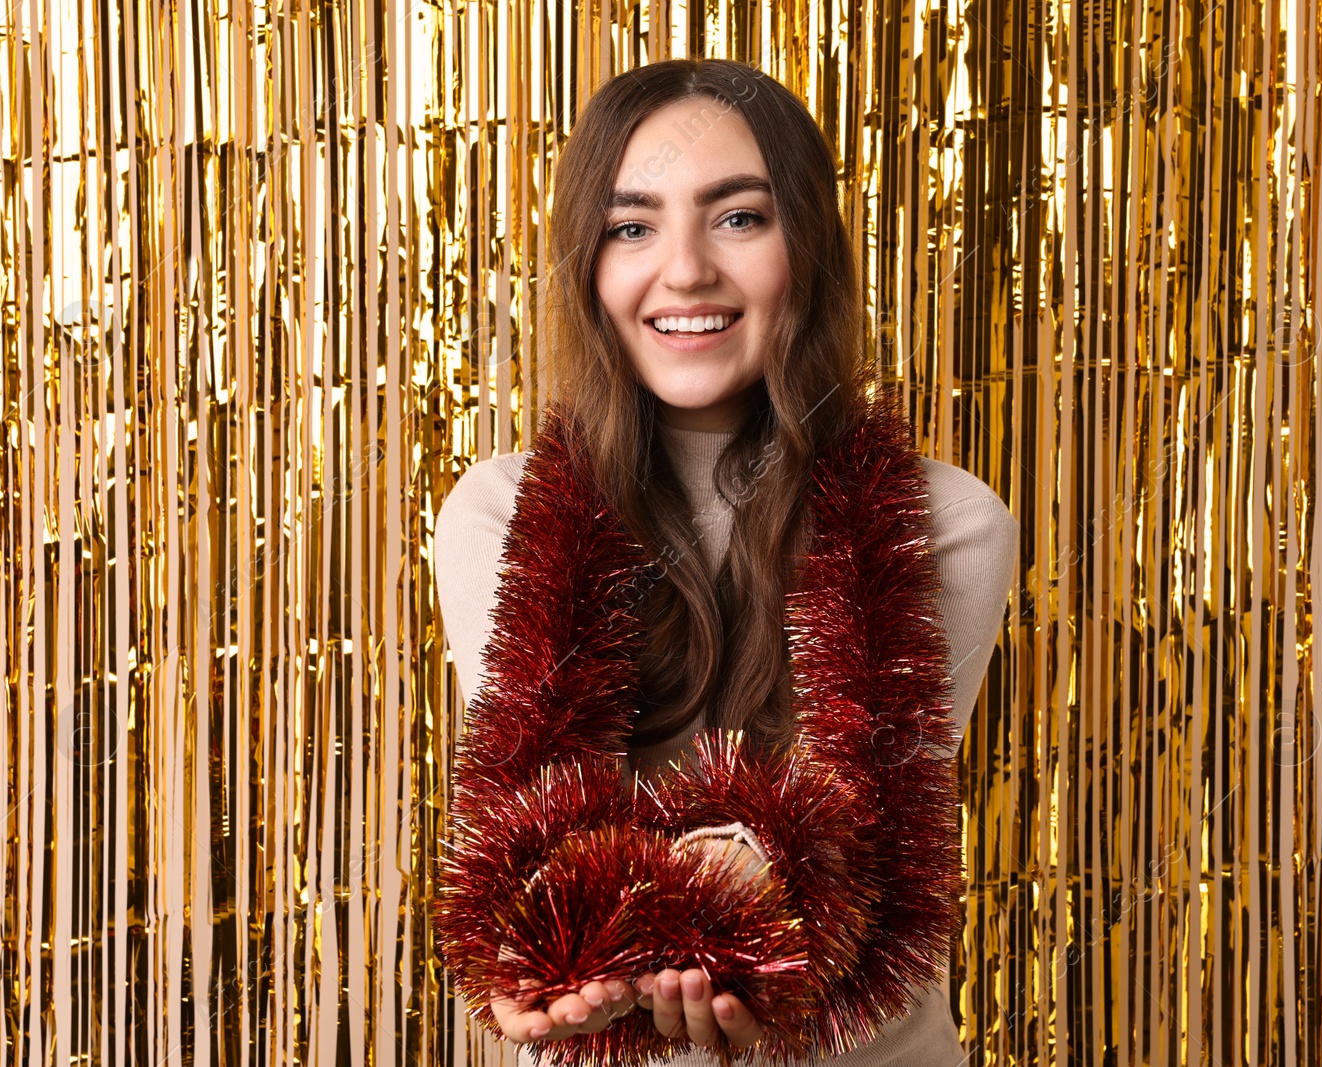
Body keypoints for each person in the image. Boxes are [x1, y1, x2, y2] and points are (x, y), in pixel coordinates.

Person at [435, 58, 1018, 1066]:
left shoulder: (946, 522)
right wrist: (556, 930)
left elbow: (860, 832)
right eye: (632, 226)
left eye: (737, 217)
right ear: (588, 263)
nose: (687, 269)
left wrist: (753, 871)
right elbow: (524, 841)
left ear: (809, 245)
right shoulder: (495, 512)